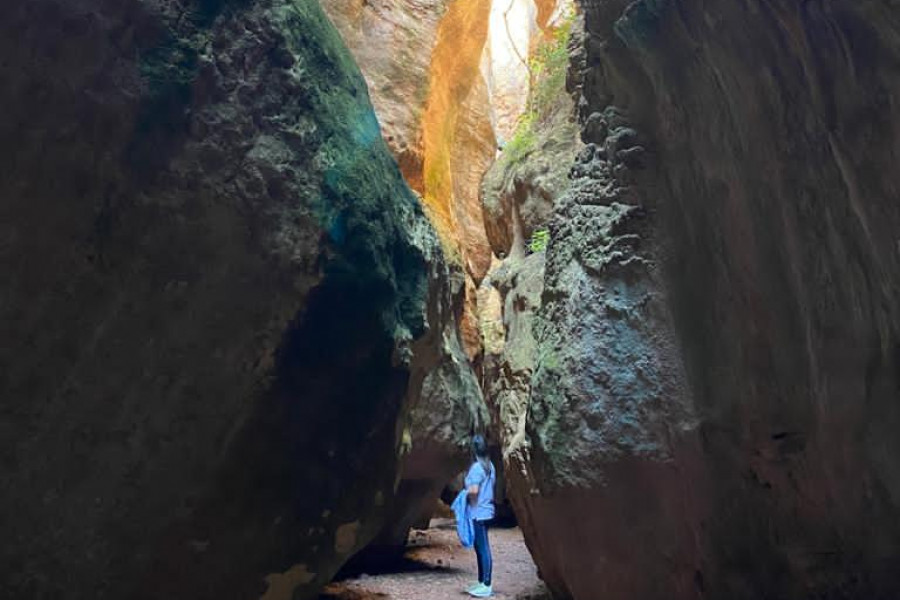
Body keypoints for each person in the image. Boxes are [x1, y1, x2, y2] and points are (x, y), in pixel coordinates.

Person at [465, 434, 495, 598]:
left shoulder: (477, 467)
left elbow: (474, 491)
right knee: (480, 548)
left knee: (483, 548)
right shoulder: (490, 466)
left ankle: (487, 584)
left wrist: (464, 493)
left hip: (479, 513)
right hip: (486, 511)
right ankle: (481, 581)